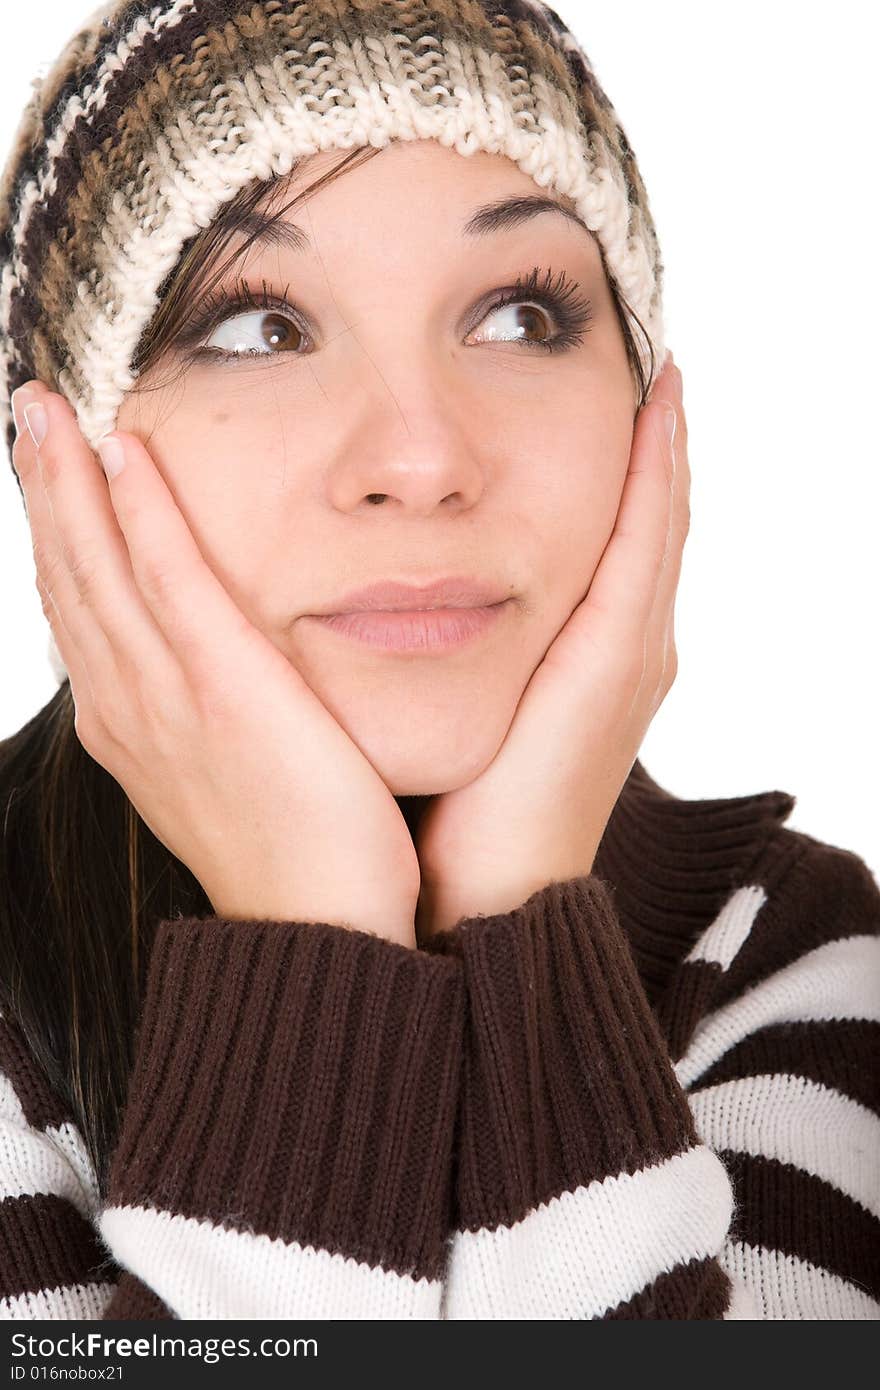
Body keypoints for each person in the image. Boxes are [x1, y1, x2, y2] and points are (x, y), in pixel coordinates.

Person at [0, 0, 877, 1322]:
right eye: (256, 324)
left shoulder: (795, 958)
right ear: (53, 450)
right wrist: (311, 941)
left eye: (522, 316)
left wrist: (524, 912)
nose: (422, 459)